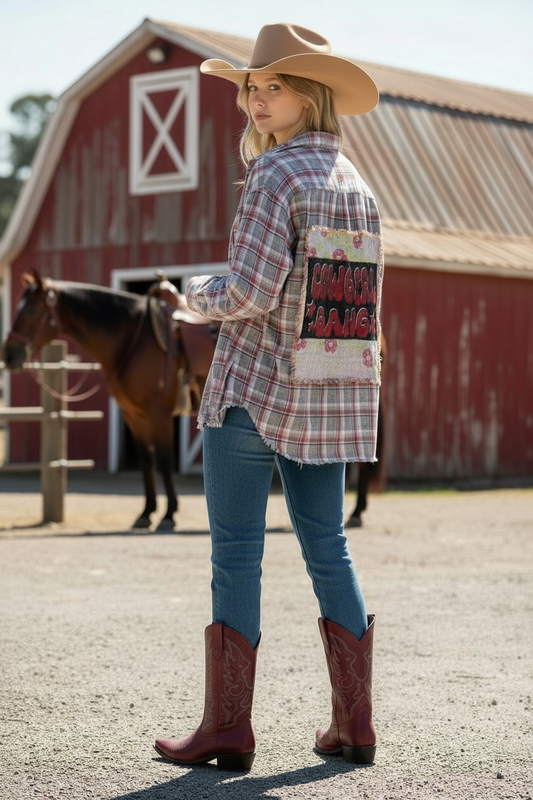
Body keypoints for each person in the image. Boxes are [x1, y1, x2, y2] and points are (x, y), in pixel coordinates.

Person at [155, 22, 384, 771]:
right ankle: (354, 725)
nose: (256, 98)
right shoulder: (356, 185)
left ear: (308, 94)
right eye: (251, 87)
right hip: (327, 394)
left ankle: (227, 730)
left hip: (254, 391)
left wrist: (195, 295)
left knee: (235, 556)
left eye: (272, 85)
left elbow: (250, 291)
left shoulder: (275, 176)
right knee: (328, 546)